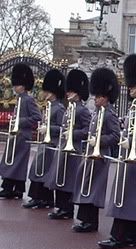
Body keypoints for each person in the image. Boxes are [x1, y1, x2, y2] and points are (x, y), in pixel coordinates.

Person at [98, 54, 136, 249]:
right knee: (129, 198)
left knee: (128, 198)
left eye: (132, 85)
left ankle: (119, 236)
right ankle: (134, 236)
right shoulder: (135, 107)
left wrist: (132, 142)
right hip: (130, 158)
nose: (130, 87)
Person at [72, 68, 120, 233]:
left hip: (100, 156)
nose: (95, 99)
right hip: (91, 154)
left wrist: (98, 140)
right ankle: (85, 219)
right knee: (86, 186)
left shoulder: (109, 115)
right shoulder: (97, 113)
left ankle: (91, 223)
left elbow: (115, 136)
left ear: (105, 97)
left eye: (98, 97)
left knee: (94, 189)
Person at [46, 69, 91, 220]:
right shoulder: (68, 108)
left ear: (77, 93)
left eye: (71, 91)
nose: (67, 93)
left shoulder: (83, 111)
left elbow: (86, 130)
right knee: (60, 178)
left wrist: (72, 134)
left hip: (74, 150)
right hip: (63, 147)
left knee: (69, 180)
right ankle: (60, 206)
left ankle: (68, 209)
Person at [23, 69, 66, 209]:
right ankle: (39, 197)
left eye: (47, 91)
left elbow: (61, 128)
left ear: (53, 92)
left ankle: (44, 199)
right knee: (38, 170)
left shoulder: (59, 109)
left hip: (52, 145)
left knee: (45, 172)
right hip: (44, 144)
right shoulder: (48, 107)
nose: (45, 93)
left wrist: (48, 129)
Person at [0, 64, 41, 199]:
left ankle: (9, 188)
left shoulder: (28, 99)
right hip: (16, 136)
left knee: (18, 163)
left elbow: (37, 117)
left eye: (17, 84)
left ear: (22, 85)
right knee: (13, 162)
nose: (14, 87)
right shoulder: (20, 98)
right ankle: (16, 189)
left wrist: (19, 121)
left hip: (23, 136)